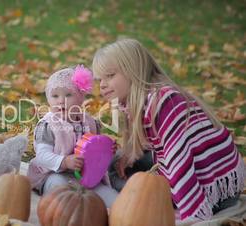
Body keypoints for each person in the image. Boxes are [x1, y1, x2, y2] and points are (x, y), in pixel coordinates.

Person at [92, 38, 244, 220]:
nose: (102, 84)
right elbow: (158, 147)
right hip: (194, 172)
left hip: (215, 191)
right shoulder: (140, 102)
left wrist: (193, 216)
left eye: (109, 76)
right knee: (115, 163)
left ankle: (131, 209)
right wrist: (129, 156)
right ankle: (128, 204)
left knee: (118, 174)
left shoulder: (163, 101)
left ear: (133, 70)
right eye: (100, 79)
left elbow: (179, 160)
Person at [27, 65, 118, 207]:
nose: (61, 101)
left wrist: (107, 150)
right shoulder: (48, 125)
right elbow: (42, 156)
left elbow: (95, 151)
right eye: (55, 96)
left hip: (87, 177)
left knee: (113, 199)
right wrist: (64, 162)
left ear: (80, 97)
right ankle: (67, 211)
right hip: (54, 174)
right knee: (61, 190)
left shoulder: (90, 122)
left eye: (68, 95)